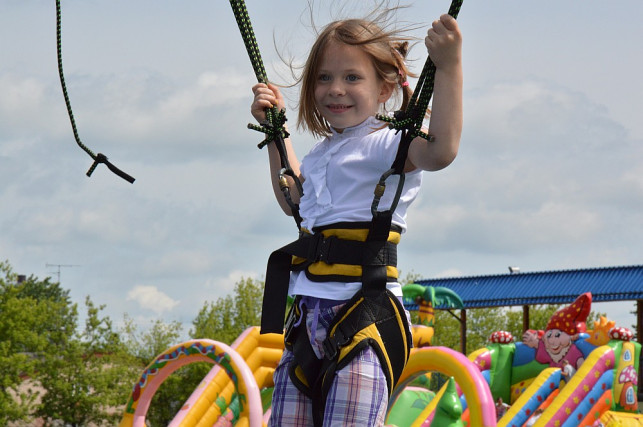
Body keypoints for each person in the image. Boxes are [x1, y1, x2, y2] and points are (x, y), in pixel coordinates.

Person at [250, 8, 462, 427]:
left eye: (352, 78)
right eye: (324, 79)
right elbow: (292, 197)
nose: (335, 90)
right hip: (308, 318)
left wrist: (449, 66)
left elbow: (441, 151)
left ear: (385, 88)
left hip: (365, 314)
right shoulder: (320, 154)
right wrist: (276, 131)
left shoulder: (389, 144)